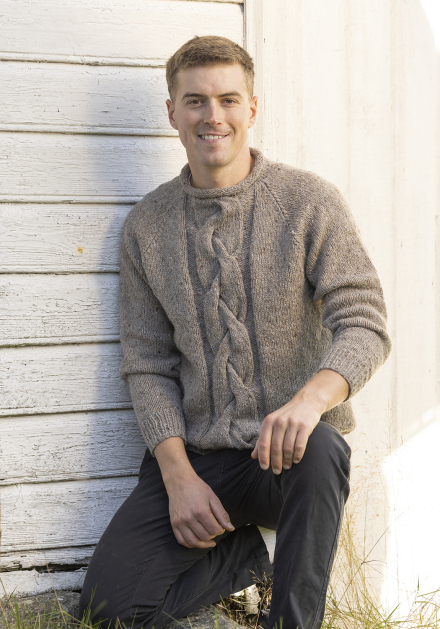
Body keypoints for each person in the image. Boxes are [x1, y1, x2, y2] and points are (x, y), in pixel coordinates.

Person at [79, 35, 391, 629]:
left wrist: (309, 402)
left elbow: (364, 323)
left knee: (323, 447)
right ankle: (246, 559)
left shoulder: (308, 202)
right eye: (195, 101)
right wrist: (177, 476)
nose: (212, 116)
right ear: (172, 113)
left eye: (227, 99)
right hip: (198, 458)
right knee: (107, 611)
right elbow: (147, 365)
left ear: (252, 108)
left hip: (286, 456)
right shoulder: (147, 226)